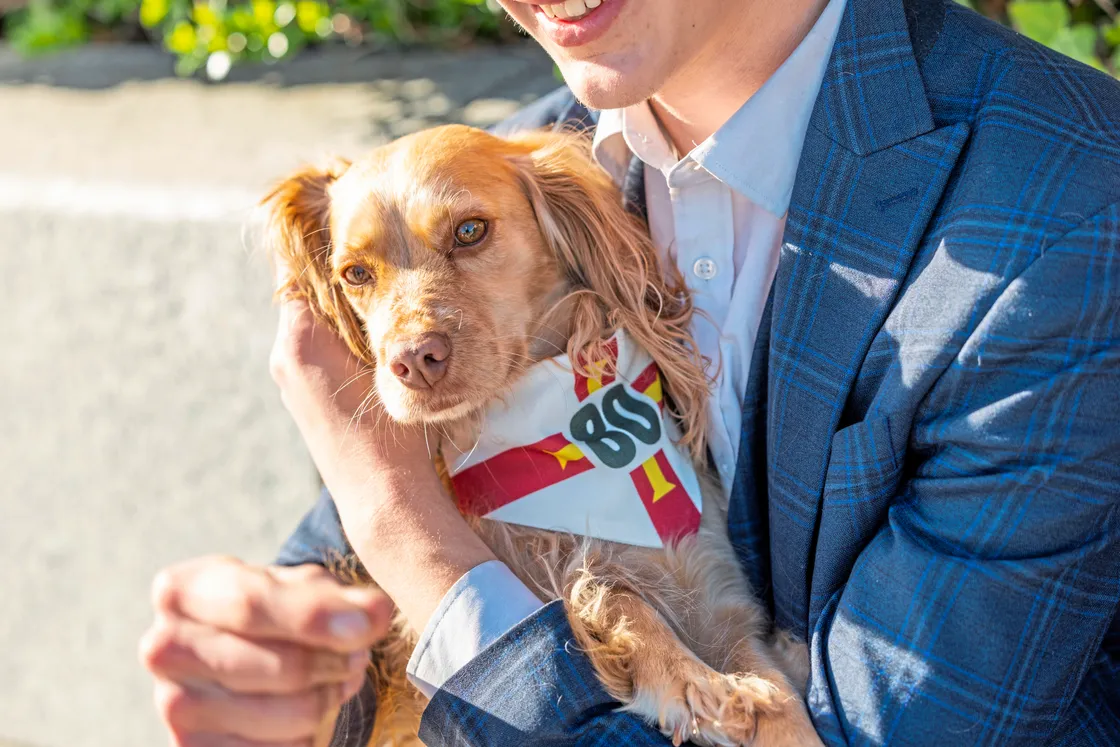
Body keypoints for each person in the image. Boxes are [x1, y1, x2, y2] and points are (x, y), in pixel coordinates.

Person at [139, 0, 1120, 743]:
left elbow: (408, 532)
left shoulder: (1066, 216)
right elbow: (355, 621)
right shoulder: (513, 165)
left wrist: (410, 539)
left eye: (468, 239)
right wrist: (283, 674)